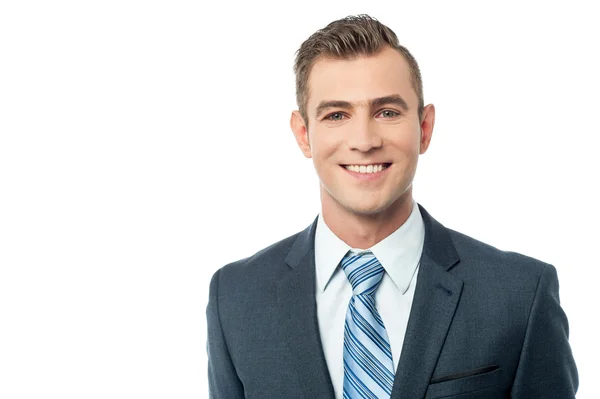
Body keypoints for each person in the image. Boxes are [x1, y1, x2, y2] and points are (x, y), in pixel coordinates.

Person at [206, 14, 578, 399]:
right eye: (337, 115)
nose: (364, 140)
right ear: (303, 135)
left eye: (387, 112)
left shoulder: (518, 294)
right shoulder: (235, 298)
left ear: (424, 128)